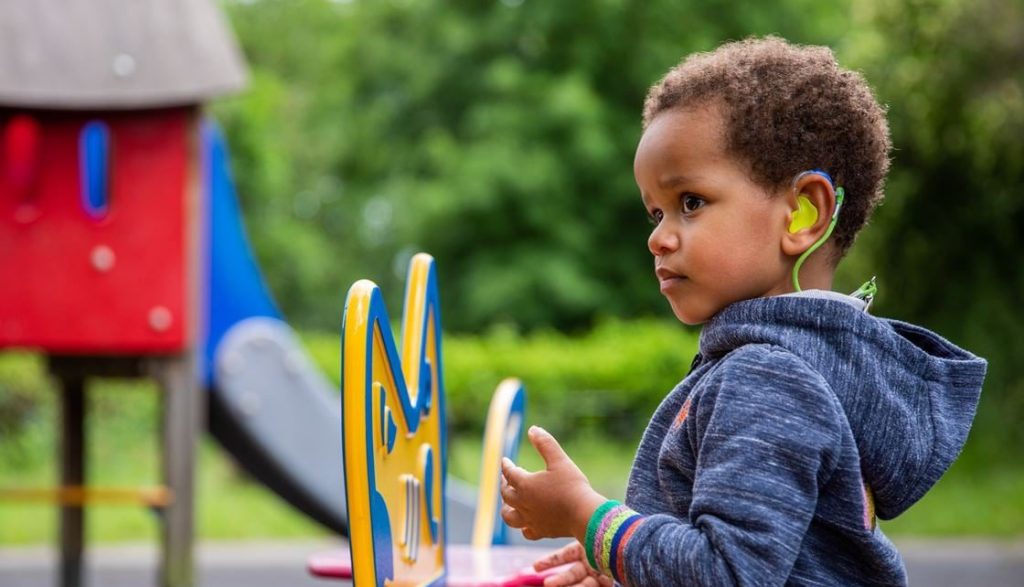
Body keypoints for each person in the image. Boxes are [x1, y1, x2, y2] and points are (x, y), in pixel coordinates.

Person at [499, 36, 988, 586]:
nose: (659, 238)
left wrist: (590, 519)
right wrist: (622, 565)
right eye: (655, 213)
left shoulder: (767, 376)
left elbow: (729, 573)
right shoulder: (799, 368)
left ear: (804, 213)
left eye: (690, 203)